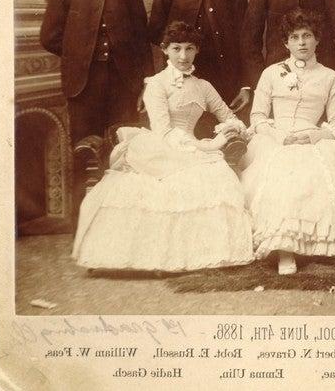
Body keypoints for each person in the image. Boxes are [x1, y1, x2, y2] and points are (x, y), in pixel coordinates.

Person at [72, 21, 254, 271]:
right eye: (176, 48)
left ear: (197, 51)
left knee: (216, 177)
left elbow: (229, 116)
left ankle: (197, 253)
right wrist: (207, 148)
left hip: (191, 146)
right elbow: (163, 130)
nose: (183, 55)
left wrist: (229, 130)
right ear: (165, 50)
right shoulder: (156, 83)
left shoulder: (203, 86)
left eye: (190, 48)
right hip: (160, 148)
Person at [240, 9, 335, 275]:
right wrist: (279, 136)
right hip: (276, 138)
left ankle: (320, 245)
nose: (302, 43)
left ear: (317, 39)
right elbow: (258, 115)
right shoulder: (271, 73)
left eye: (307, 36)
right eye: (295, 37)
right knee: (280, 174)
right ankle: (285, 250)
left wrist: (314, 136)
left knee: (317, 173)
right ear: (286, 43)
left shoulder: (329, 77)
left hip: (312, 138)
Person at [40, 0, 153, 143]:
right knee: (86, 146)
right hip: (82, 85)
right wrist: (79, 53)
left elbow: (141, 40)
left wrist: (146, 83)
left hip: (124, 84)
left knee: (123, 145)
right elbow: (48, 37)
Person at [148, 0, 251, 125]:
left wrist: (245, 84)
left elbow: (245, 39)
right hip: (180, 76)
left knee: (225, 136)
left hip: (224, 78)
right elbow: (157, 32)